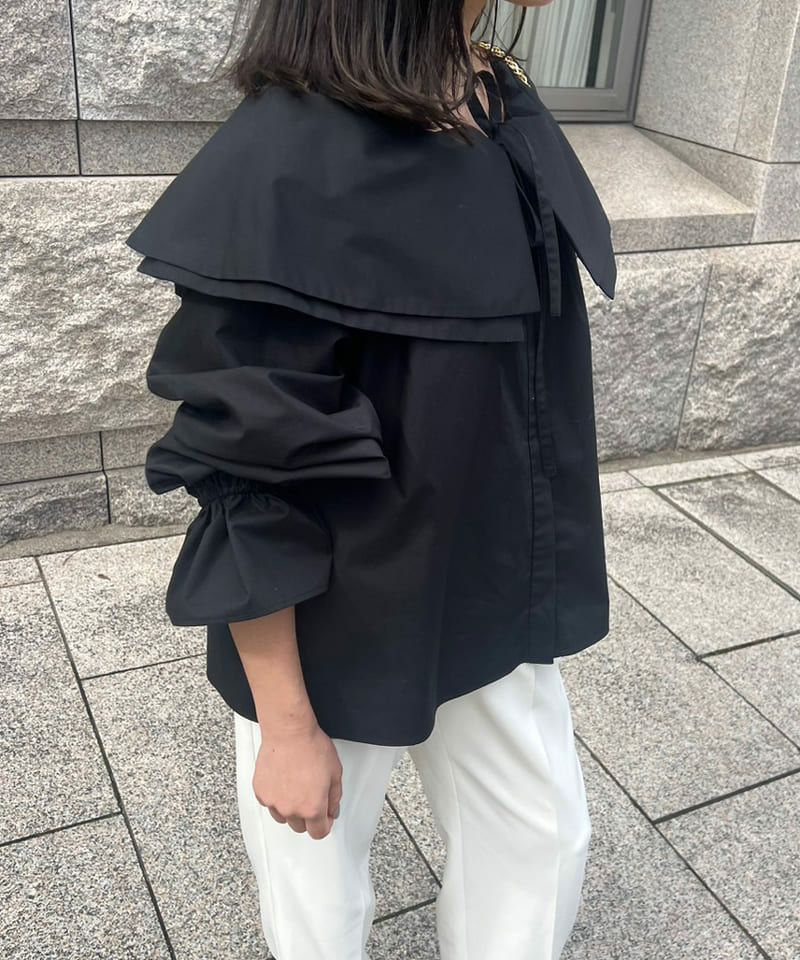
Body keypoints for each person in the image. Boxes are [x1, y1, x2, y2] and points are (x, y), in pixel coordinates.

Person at [126, 0, 617, 956]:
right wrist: (287, 726)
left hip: (485, 586)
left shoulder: (491, 94)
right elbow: (244, 452)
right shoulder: (288, 153)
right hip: (328, 619)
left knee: (544, 840)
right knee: (318, 906)